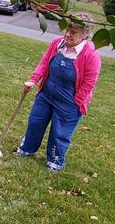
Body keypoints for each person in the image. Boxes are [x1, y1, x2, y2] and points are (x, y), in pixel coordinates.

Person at [17, 14, 101, 171]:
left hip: (69, 100)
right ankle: (27, 149)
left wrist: (78, 100)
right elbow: (44, 63)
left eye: (73, 32)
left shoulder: (91, 54)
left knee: (60, 133)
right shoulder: (57, 43)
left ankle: (55, 161)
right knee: (35, 122)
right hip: (46, 94)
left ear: (85, 34)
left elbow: (90, 82)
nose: (68, 34)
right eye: (67, 30)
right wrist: (33, 80)